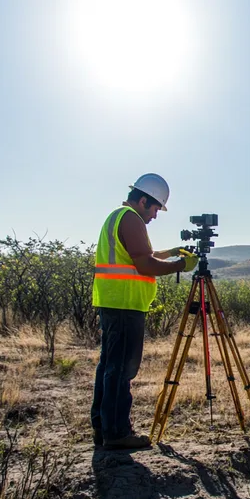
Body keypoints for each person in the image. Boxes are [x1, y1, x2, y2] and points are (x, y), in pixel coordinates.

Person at [91, 173, 199, 450]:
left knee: (109, 366)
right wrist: (180, 266)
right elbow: (144, 265)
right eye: (155, 209)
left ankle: (103, 428)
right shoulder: (131, 219)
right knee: (120, 370)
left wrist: (170, 253)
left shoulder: (117, 216)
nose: (155, 216)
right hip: (125, 304)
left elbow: (139, 256)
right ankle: (117, 433)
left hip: (114, 302)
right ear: (143, 201)